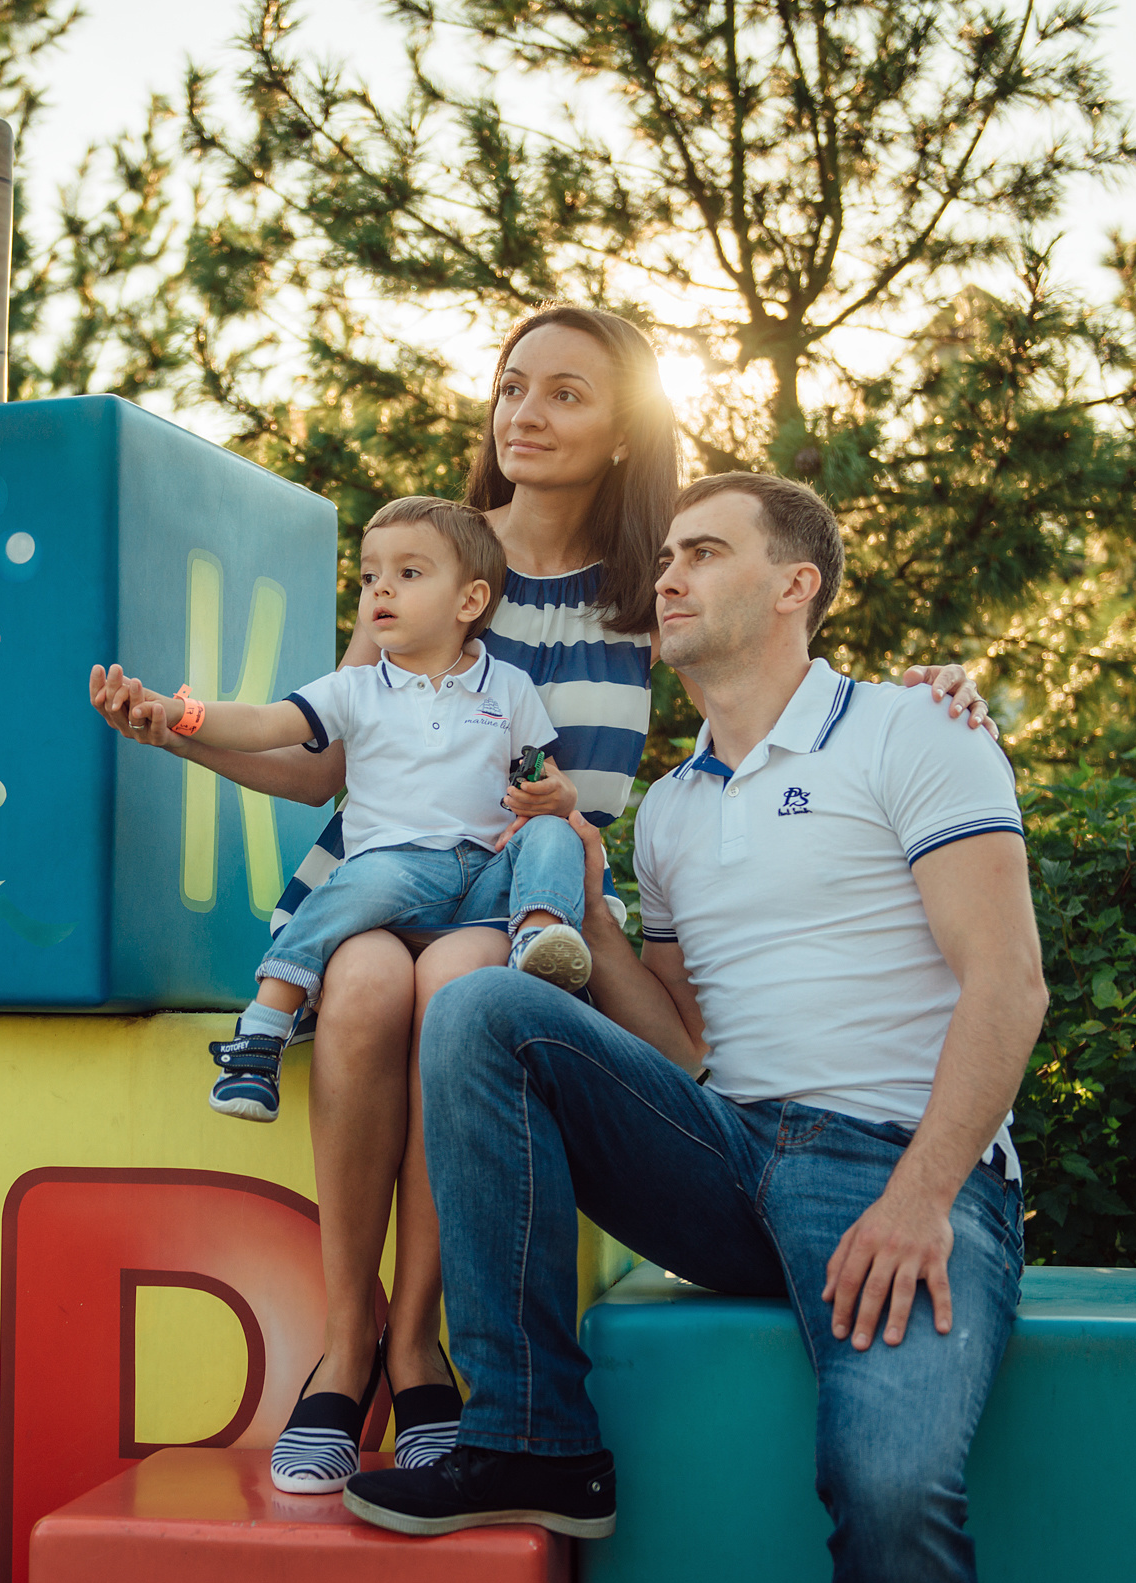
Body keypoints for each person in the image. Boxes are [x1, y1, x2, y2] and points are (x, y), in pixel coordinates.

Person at [87, 305, 995, 1500]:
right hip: (385, 873)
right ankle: (345, 1343)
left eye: (568, 394)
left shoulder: (650, 593)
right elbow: (330, 747)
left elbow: (780, 670)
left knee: (461, 987)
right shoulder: (436, 554)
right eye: (514, 386)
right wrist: (182, 734)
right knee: (363, 980)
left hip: (520, 891)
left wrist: (949, 689)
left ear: (627, 431)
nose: (528, 412)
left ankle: (424, 1347)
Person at [343, 471, 1049, 1583]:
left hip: (896, 1169)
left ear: (794, 585)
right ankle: (533, 1438)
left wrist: (920, 1197)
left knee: (890, 1489)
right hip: (729, 1155)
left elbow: (1011, 985)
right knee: (482, 1004)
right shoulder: (667, 811)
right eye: (667, 556)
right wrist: (589, 903)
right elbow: (681, 1050)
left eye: (705, 554)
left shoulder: (916, 727)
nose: (668, 577)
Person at [97, 496, 595, 1140]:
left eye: (408, 574)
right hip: (395, 873)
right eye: (368, 577)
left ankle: (540, 939)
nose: (380, 588)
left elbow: (541, 771)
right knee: (363, 881)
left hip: (489, 878)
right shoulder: (353, 689)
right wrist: (178, 716)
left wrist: (546, 796)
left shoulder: (510, 687)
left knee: (558, 830)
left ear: (469, 602)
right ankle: (262, 1033)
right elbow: (260, 722)